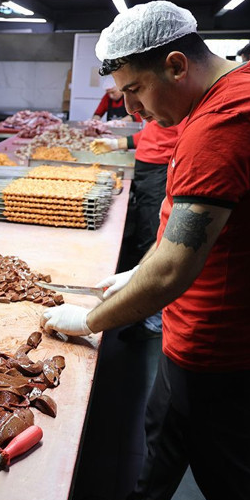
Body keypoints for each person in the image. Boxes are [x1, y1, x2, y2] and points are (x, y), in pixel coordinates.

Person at [43, 1, 250, 500]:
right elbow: (200, 231)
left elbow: (173, 269)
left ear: (175, 65)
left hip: (225, 341)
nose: (133, 110)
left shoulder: (226, 122)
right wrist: (139, 271)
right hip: (228, 318)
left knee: (229, 485)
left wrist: (90, 320)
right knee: (166, 434)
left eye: (135, 91)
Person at [90, 118, 182, 340]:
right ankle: (146, 308)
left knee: (153, 235)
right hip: (148, 171)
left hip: (159, 172)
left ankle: (155, 321)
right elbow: (155, 134)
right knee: (146, 235)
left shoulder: (181, 111)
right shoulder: (163, 112)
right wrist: (117, 144)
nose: (133, 111)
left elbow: (171, 258)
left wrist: (88, 323)